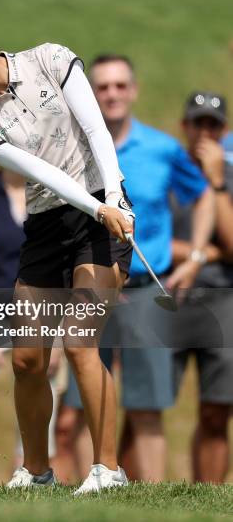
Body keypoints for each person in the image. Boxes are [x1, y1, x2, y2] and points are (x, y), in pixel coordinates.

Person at [0, 1, 135, 494]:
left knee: (80, 342)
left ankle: (109, 469)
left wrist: (114, 197)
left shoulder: (51, 59)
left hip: (101, 210)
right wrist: (99, 208)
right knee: (25, 359)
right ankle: (37, 472)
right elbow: (46, 176)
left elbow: (96, 129)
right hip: (49, 225)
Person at [87, 54, 214, 482]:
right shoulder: (76, 149)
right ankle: (84, 490)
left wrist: (195, 256)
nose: (112, 94)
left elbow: (204, 195)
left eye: (120, 85)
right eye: (103, 87)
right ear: (91, 94)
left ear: (134, 91)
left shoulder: (161, 148)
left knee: (146, 406)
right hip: (90, 290)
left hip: (145, 289)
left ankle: (155, 498)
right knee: (79, 407)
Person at [0, 169, 64, 481]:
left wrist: (57, 337)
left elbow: (63, 265)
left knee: (37, 415)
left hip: (41, 312)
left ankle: (31, 485)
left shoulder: (54, 194)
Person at [172, 91, 233, 483]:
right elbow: (144, 238)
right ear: (185, 126)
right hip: (168, 297)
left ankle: (206, 497)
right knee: (144, 405)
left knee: (216, 410)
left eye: (213, 125)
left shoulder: (228, 177)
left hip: (223, 300)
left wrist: (216, 181)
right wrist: (202, 252)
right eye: (198, 123)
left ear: (224, 130)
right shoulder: (168, 170)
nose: (204, 132)